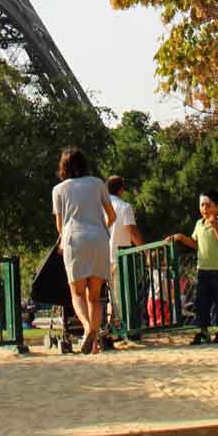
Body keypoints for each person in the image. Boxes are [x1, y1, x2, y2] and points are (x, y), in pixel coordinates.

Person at [52, 147, 116, 355]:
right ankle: (95, 342)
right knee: (95, 296)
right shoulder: (97, 183)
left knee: (77, 293)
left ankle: (87, 328)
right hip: (98, 237)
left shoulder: (59, 190)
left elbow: (60, 225)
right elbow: (111, 215)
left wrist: (63, 241)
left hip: (75, 238)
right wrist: (101, 227)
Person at [166, 187, 218, 344]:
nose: (204, 208)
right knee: (201, 302)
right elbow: (196, 244)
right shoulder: (198, 224)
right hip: (202, 270)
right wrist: (181, 238)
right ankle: (203, 332)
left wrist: (215, 226)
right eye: (202, 205)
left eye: (208, 205)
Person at [105, 175, 144, 337]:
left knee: (110, 297)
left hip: (103, 256)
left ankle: (110, 329)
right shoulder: (124, 207)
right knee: (123, 297)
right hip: (121, 257)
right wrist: (144, 248)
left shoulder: (101, 207)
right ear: (121, 190)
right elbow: (131, 230)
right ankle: (124, 330)